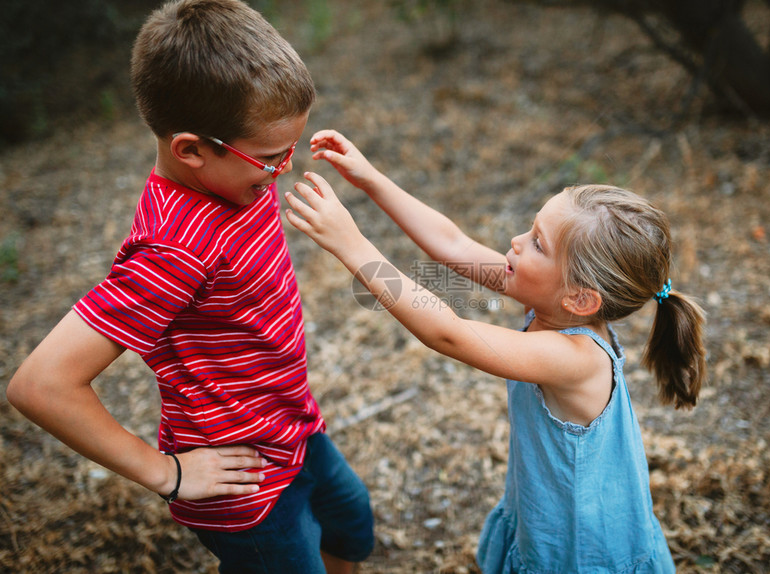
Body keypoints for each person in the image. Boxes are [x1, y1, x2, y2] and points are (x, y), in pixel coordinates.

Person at [6, 3, 373, 573]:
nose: (284, 172)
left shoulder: (232, 183)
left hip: (295, 424)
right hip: (246, 487)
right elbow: (40, 386)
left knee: (351, 529)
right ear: (191, 150)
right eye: (272, 160)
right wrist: (167, 473)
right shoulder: (174, 251)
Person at [284, 129, 707, 573]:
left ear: (580, 298)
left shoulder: (576, 358)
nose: (518, 240)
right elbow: (454, 244)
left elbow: (448, 333)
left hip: (581, 549)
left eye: (538, 243)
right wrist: (370, 179)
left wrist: (354, 248)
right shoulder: (555, 300)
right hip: (551, 512)